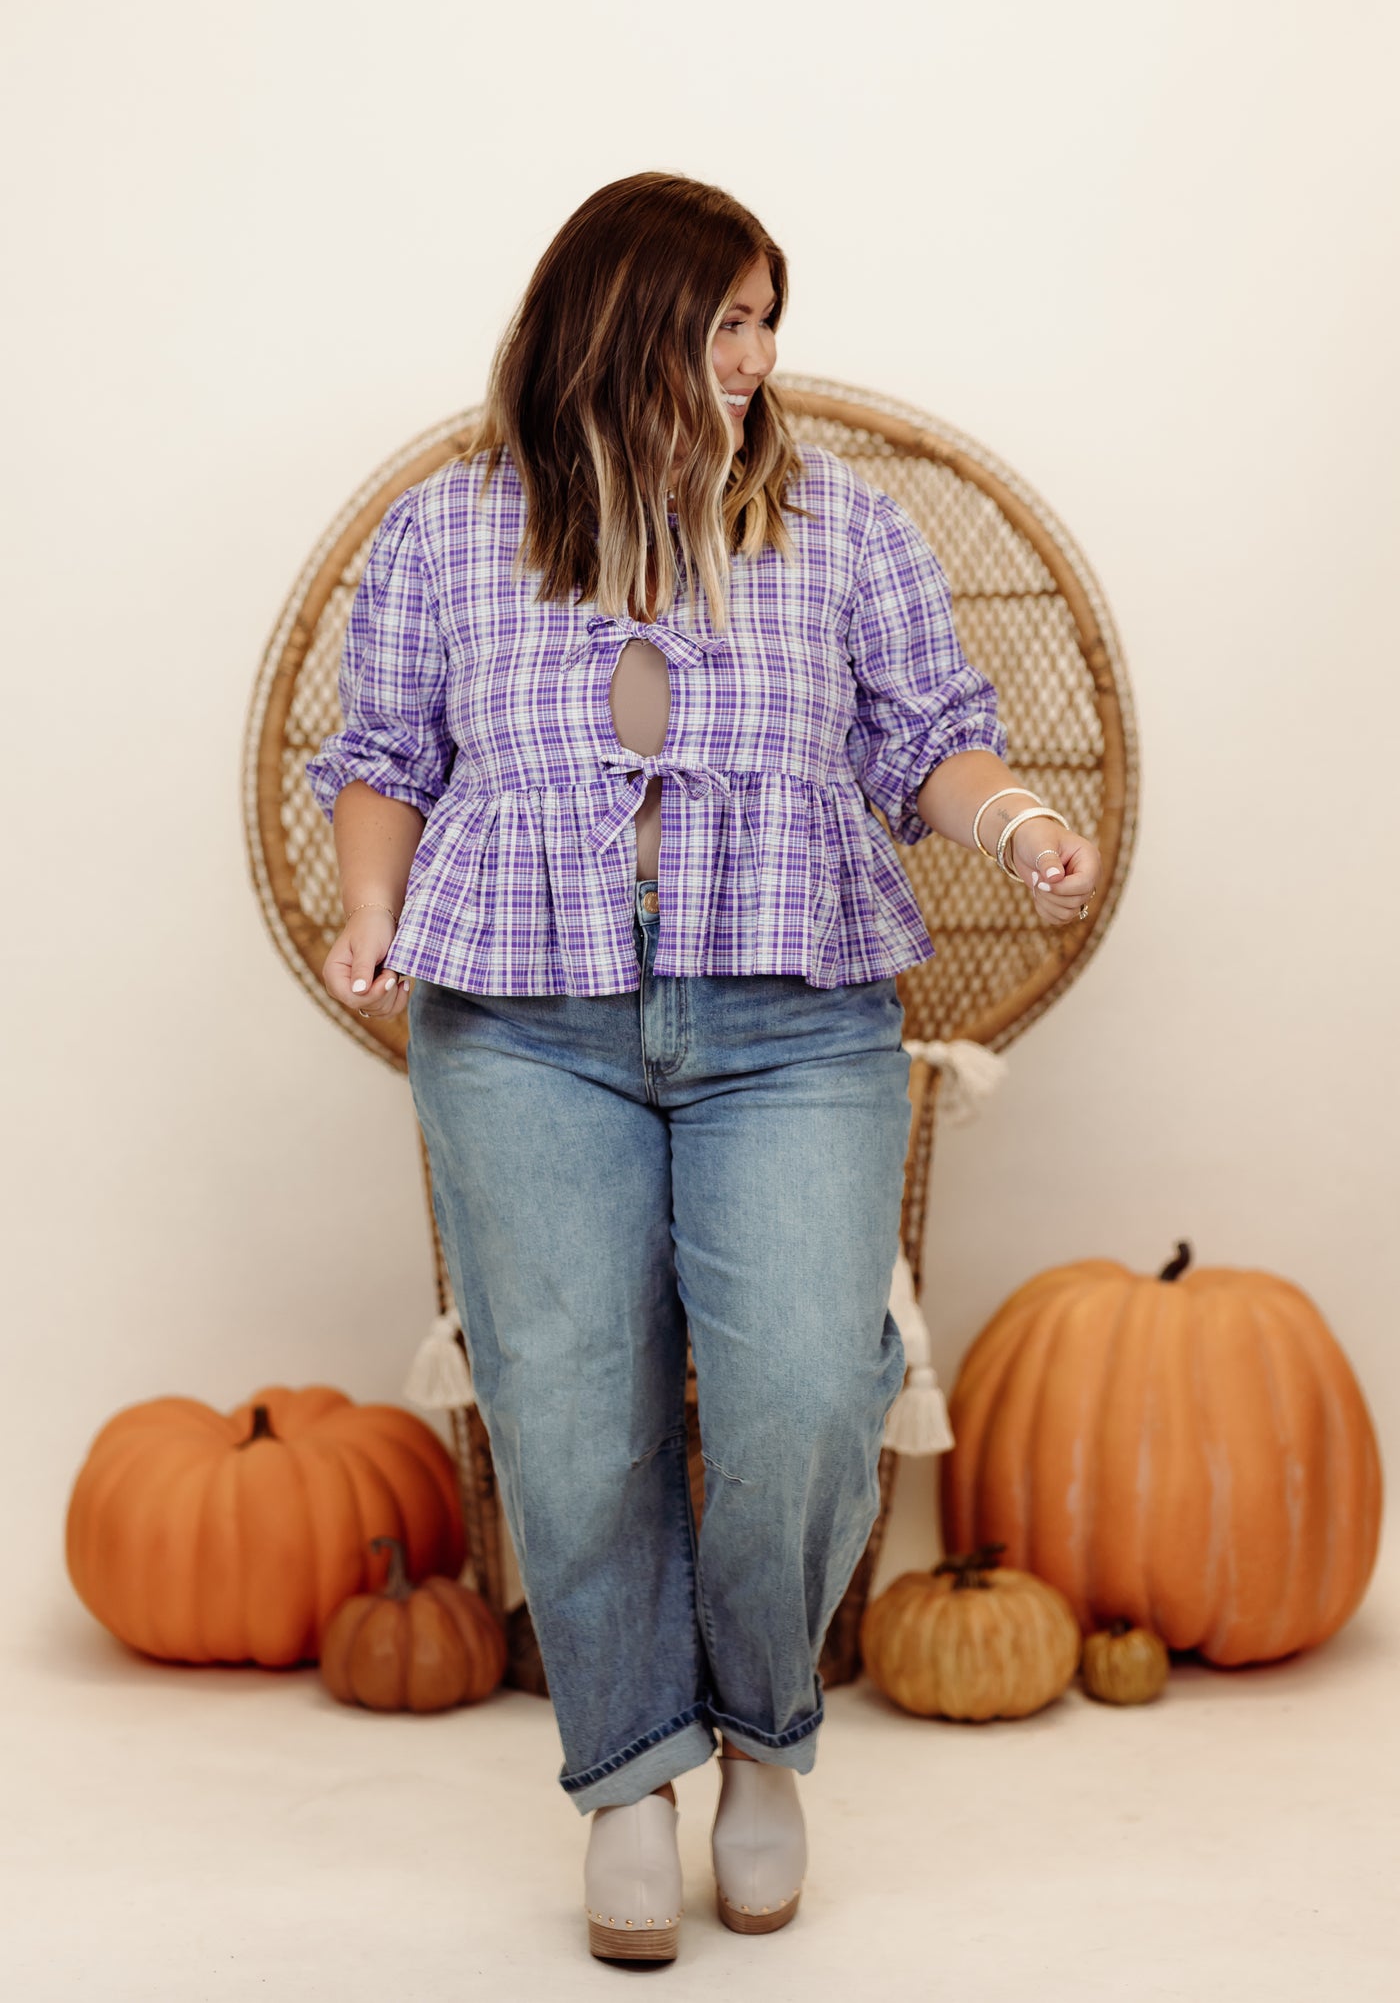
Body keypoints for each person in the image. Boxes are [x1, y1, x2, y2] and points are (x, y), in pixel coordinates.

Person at [304, 171, 1101, 1965]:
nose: (752, 358)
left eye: (765, 323)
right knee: (571, 1415)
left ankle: (763, 1739)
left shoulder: (845, 530)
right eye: (725, 318)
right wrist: (370, 912)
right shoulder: (450, 534)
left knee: (806, 1399)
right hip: (523, 1031)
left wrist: (1021, 819)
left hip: (793, 1025)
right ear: (618, 320)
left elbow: (934, 745)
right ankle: (627, 1785)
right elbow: (385, 755)